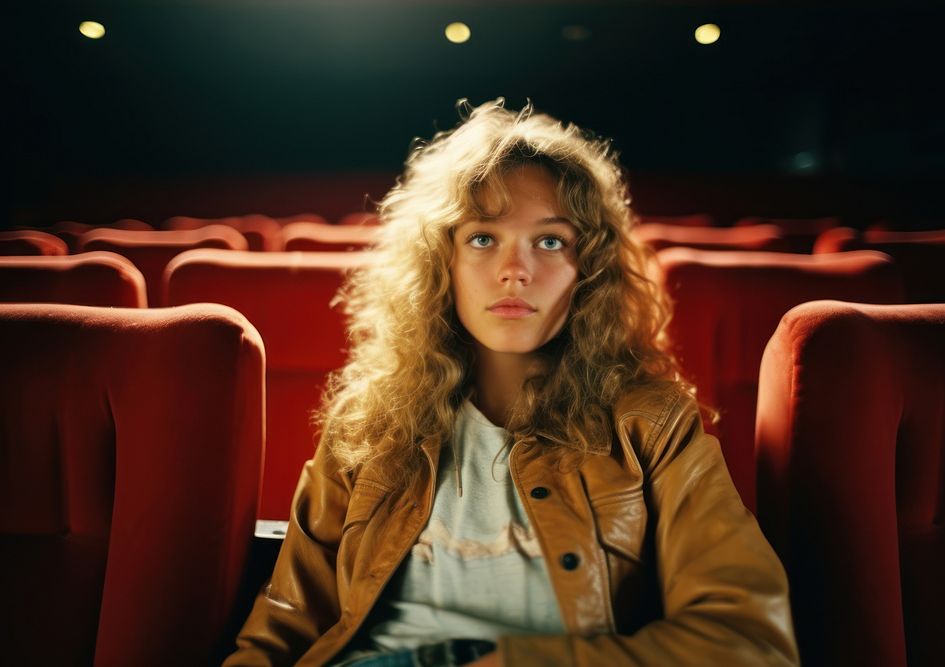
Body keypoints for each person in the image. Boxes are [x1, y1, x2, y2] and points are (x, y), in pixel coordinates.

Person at [224, 99, 799, 666]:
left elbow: (748, 641)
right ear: (440, 262)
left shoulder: (651, 422)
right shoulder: (369, 421)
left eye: (550, 241)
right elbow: (283, 627)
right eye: (482, 238)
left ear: (589, 269)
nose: (515, 270)